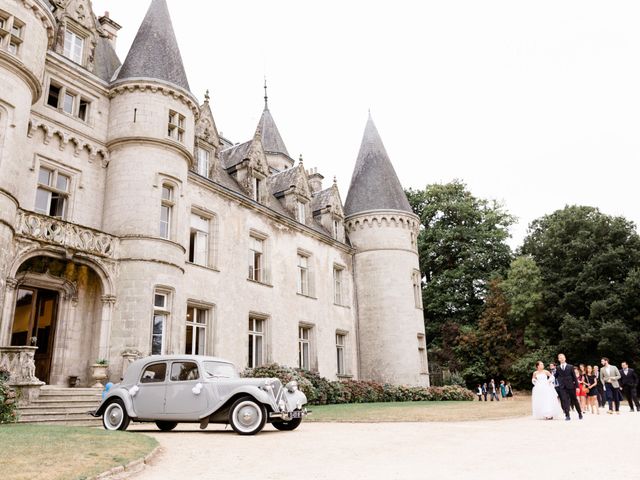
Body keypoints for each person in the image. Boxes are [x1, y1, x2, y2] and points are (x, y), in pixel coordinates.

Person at [554, 353, 583, 420]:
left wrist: (577, 387)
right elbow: (555, 376)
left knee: (574, 400)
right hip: (562, 387)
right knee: (564, 400)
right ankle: (567, 415)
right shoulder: (558, 368)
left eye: (562, 357)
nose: (561, 359)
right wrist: (549, 379)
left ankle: (580, 413)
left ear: (565, 358)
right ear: (558, 359)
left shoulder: (570, 366)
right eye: (560, 358)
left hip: (571, 386)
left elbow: (574, 377)